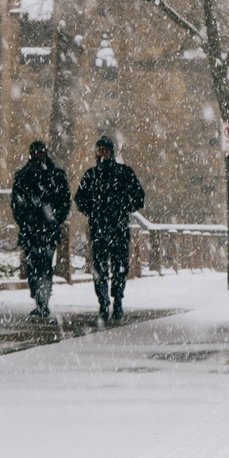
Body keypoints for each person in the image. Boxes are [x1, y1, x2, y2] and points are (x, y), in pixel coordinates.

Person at [74, 134, 145, 324]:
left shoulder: (120, 173)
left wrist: (120, 207)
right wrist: (95, 210)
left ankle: (116, 300)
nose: (101, 154)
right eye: (99, 151)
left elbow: (139, 197)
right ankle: (105, 301)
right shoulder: (93, 175)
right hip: (103, 227)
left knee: (116, 266)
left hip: (114, 226)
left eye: (103, 151)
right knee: (102, 267)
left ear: (110, 153)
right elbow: (80, 199)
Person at [10, 140, 72, 321]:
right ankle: (39, 298)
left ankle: (42, 300)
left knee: (44, 264)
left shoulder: (56, 175)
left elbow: (64, 201)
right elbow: (16, 203)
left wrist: (55, 218)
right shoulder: (23, 175)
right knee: (33, 266)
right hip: (32, 229)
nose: (38, 155)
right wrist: (24, 220)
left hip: (47, 229)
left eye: (40, 151)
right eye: (35, 151)